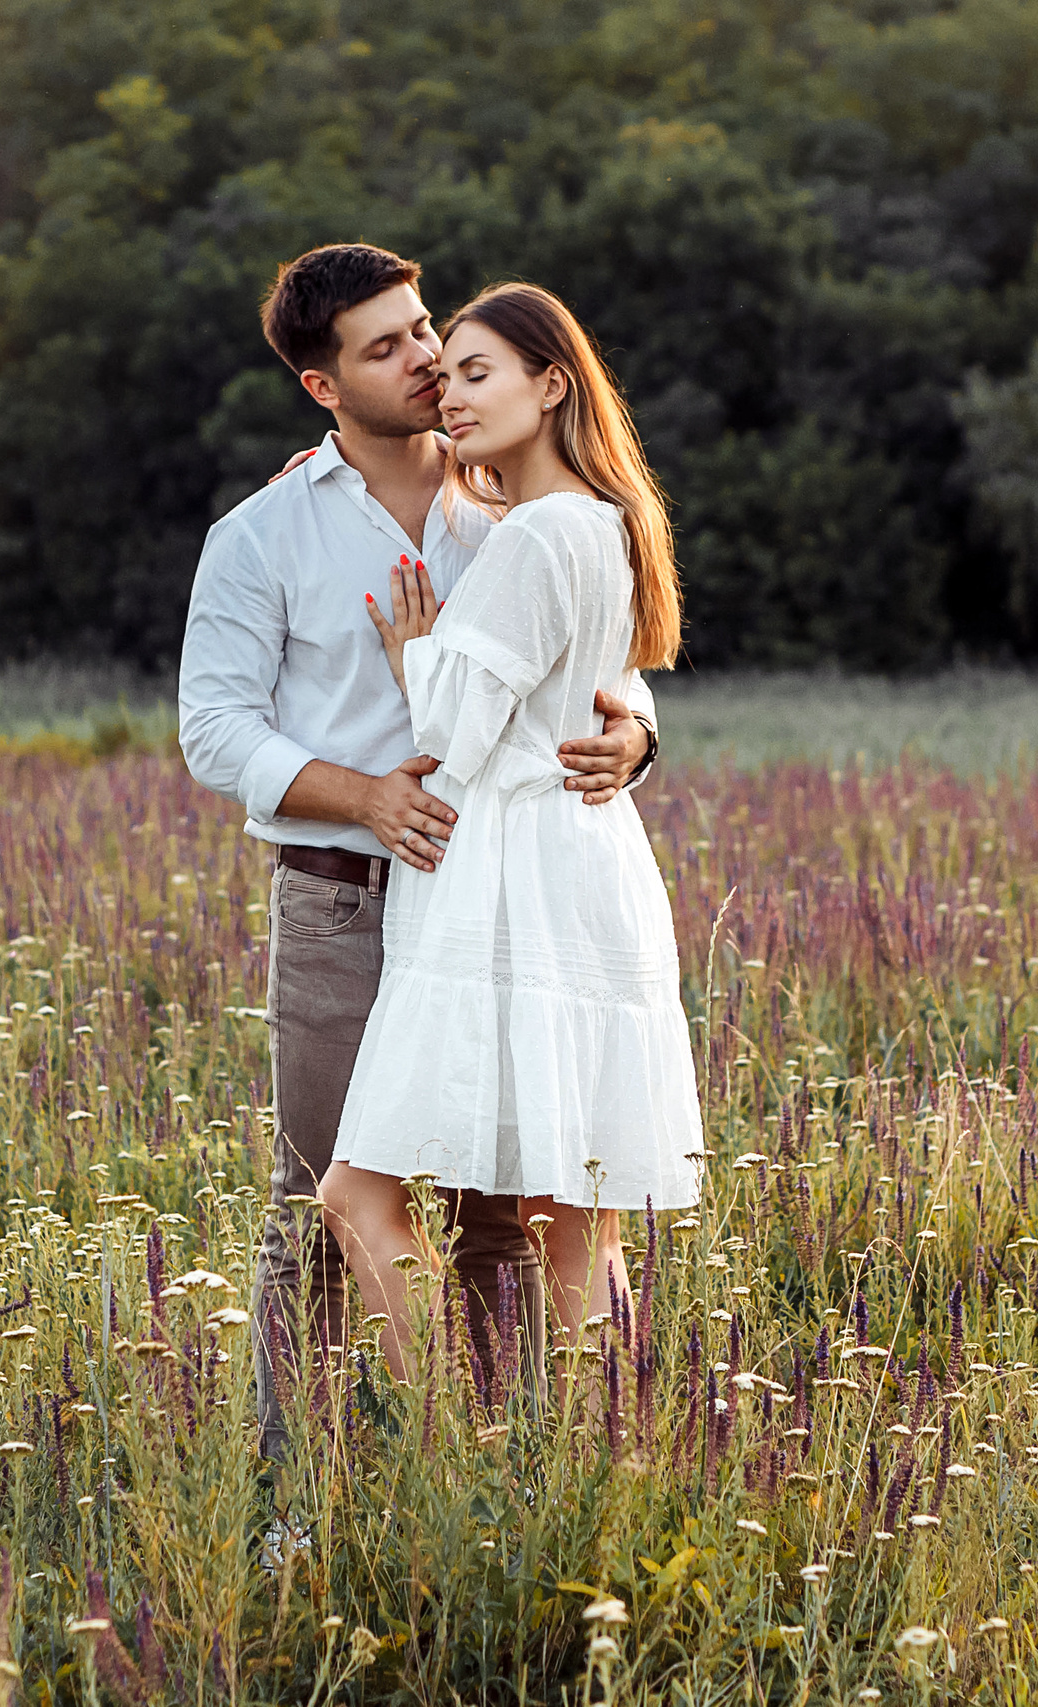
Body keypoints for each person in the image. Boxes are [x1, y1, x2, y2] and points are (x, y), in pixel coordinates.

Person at [177, 244, 661, 1458]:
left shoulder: (507, 491)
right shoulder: (261, 536)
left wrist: (639, 734)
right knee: (322, 1213)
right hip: (346, 903)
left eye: (427, 326)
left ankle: (496, 1489)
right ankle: (300, 1504)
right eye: (386, 345)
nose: (428, 356)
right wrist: (360, 799)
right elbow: (214, 728)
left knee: (501, 1212)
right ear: (322, 387)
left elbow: (596, 662)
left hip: (500, 903)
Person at [317, 281, 703, 1380]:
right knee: (570, 1216)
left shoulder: (535, 539)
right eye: (449, 378)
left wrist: (413, 655)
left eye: (477, 374)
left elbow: (455, 731)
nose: (451, 395)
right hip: (587, 866)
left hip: (508, 878)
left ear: (551, 383)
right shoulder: (606, 523)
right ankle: (606, 1466)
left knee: (355, 1192)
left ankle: (441, 1444)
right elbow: (605, 688)